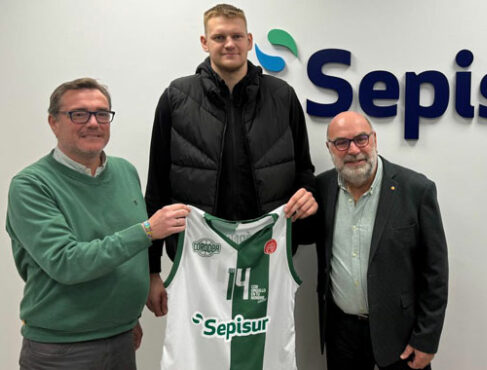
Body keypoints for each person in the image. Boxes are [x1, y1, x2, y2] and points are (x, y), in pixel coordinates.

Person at [144, 3, 317, 317]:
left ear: (250, 41)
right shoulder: (176, 97)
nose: (229, 44)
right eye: (219, 36)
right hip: (197, 256)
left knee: (260, 354)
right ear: (204, 42)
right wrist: (151, 269)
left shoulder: (282, 96)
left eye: (237, 36)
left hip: (266, 256)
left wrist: (308, 196)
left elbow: (304, 170)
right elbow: (156, 185)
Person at [6, 78, 189, 370]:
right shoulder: (31, 185)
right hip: (62, 350)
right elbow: (66, 262)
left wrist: (134, 307)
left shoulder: (125, 171)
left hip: (122, 338)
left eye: (102, 114)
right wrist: (147, 231)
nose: (93, 123)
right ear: (53, 122)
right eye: (79, 114)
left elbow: (128, 253)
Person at [310, 111, 448, 369]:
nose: (353, 150)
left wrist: (427, 338)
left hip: (401, 336)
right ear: (329, 148)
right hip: (341, 334)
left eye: (361, 139)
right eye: (341, 143)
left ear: (374, 139)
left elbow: (435, 273)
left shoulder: (416, 190)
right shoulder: (322, 188)